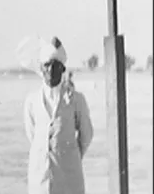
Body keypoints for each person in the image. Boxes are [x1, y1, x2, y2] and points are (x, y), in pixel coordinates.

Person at [24, 37, 93, 194]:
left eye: (55, 66)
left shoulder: (76, 100)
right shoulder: (32, 101)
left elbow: (86, 135)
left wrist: (70, 156)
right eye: (47, 65)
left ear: (62, 69)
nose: (50, 70)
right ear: (41, 68)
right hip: (39, 179)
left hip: (69, 179)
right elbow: (32, 135)